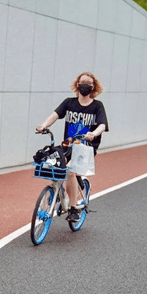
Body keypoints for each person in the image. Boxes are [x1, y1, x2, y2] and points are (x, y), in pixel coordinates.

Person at [36, 72, 109, 222]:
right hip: (68, 144)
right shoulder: (69, 102)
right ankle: (62, 189)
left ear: (93, 87)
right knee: (53, 162)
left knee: (69, 170)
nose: (85, 86)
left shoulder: (97, 106)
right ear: (77, 84)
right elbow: (55, 115)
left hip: (86, 146)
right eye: (82, 82)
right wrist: (44, 126)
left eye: (88, 83)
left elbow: (102, 125)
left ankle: (74, 209)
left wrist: (94, 133)